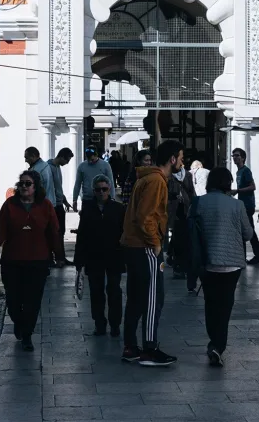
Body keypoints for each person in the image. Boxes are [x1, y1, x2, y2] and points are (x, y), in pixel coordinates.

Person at [0, 169, 63, 351]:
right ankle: (18, 321)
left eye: (28, 184)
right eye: (21, 184)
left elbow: (54, 232)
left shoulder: (46, 206)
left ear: (36, 187)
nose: (24, 187)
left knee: (32, 301)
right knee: (13, 300)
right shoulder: (10, 205)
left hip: (38, 261)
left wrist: (59, 256)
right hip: (13, 261)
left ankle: (27, 335)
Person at [120, 139, 183, 367]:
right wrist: (155, 244)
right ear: (172, 158)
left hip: (134, 245)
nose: (182, 162)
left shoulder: (147, 178)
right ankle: (149, 348)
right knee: (153, 298)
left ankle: (131, 347)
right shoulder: (156, 180)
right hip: (145, 247)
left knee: (137, 298)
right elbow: (146, 217)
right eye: (181, 158)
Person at [188, 167, 252, 367]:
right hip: (232, 265)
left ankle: (214, 342)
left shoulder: (199, 203)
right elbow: (248, 234)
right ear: (228, 183)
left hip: (207, 263)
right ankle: (218, 345)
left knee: (210, 303)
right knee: (225, 306)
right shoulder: (237, 205)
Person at [73, 175, 126, 337]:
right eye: (98, 189)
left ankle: (115, 324)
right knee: (96, 292)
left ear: (109, 189)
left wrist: (126, 255)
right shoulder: (88, 208)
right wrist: (79, 260)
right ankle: (99, 323)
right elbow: (82, 235)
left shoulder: (118, 208)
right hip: (93, 256)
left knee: (114, 291)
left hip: (114, 256)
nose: (101, 192)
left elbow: (124, 233)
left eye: (104, 189)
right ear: (93, 191)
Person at [230, 148, 259, 265]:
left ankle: (253, 255)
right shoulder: (238, 172)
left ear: (243, 158)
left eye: (237, 155)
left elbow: (253, 186)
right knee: (246, 230)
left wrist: (238, 190)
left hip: (248, 205)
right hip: (243, 204)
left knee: (246, 230)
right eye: (233, 155)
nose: (235, 157)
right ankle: (252, 255)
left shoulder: (246, 171)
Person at [168, 160, 197, 288]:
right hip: (174, 212)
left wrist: (194, 207)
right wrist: (173, 196)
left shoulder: (188, 175)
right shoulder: (168, 176)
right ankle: (177, 266)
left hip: (186, 211)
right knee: (176, 239)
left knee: (184, 240)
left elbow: (192, 192)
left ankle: (181, 266)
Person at [48, 147, 74, 263]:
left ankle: (60, 257)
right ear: (62, 157)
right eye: (67, 160)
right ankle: (54, 258)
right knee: (54, 232)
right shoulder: (49, 168)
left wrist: (64, 201)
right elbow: (51, 187)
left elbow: (58, 188)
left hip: (59, 203)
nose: (67, 163)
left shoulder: (58, 167)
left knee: (61, 231)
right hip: (53, 205)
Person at [72, 147, 115, 212]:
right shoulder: (82, 166)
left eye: (92, 159)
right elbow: (77, 184)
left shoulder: (105, 165)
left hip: (102, 199)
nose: (90, 161)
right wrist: (74, 199)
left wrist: (112, 198)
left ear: (96, 155)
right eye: (88, 159)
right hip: (87, 199)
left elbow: (111, 182)